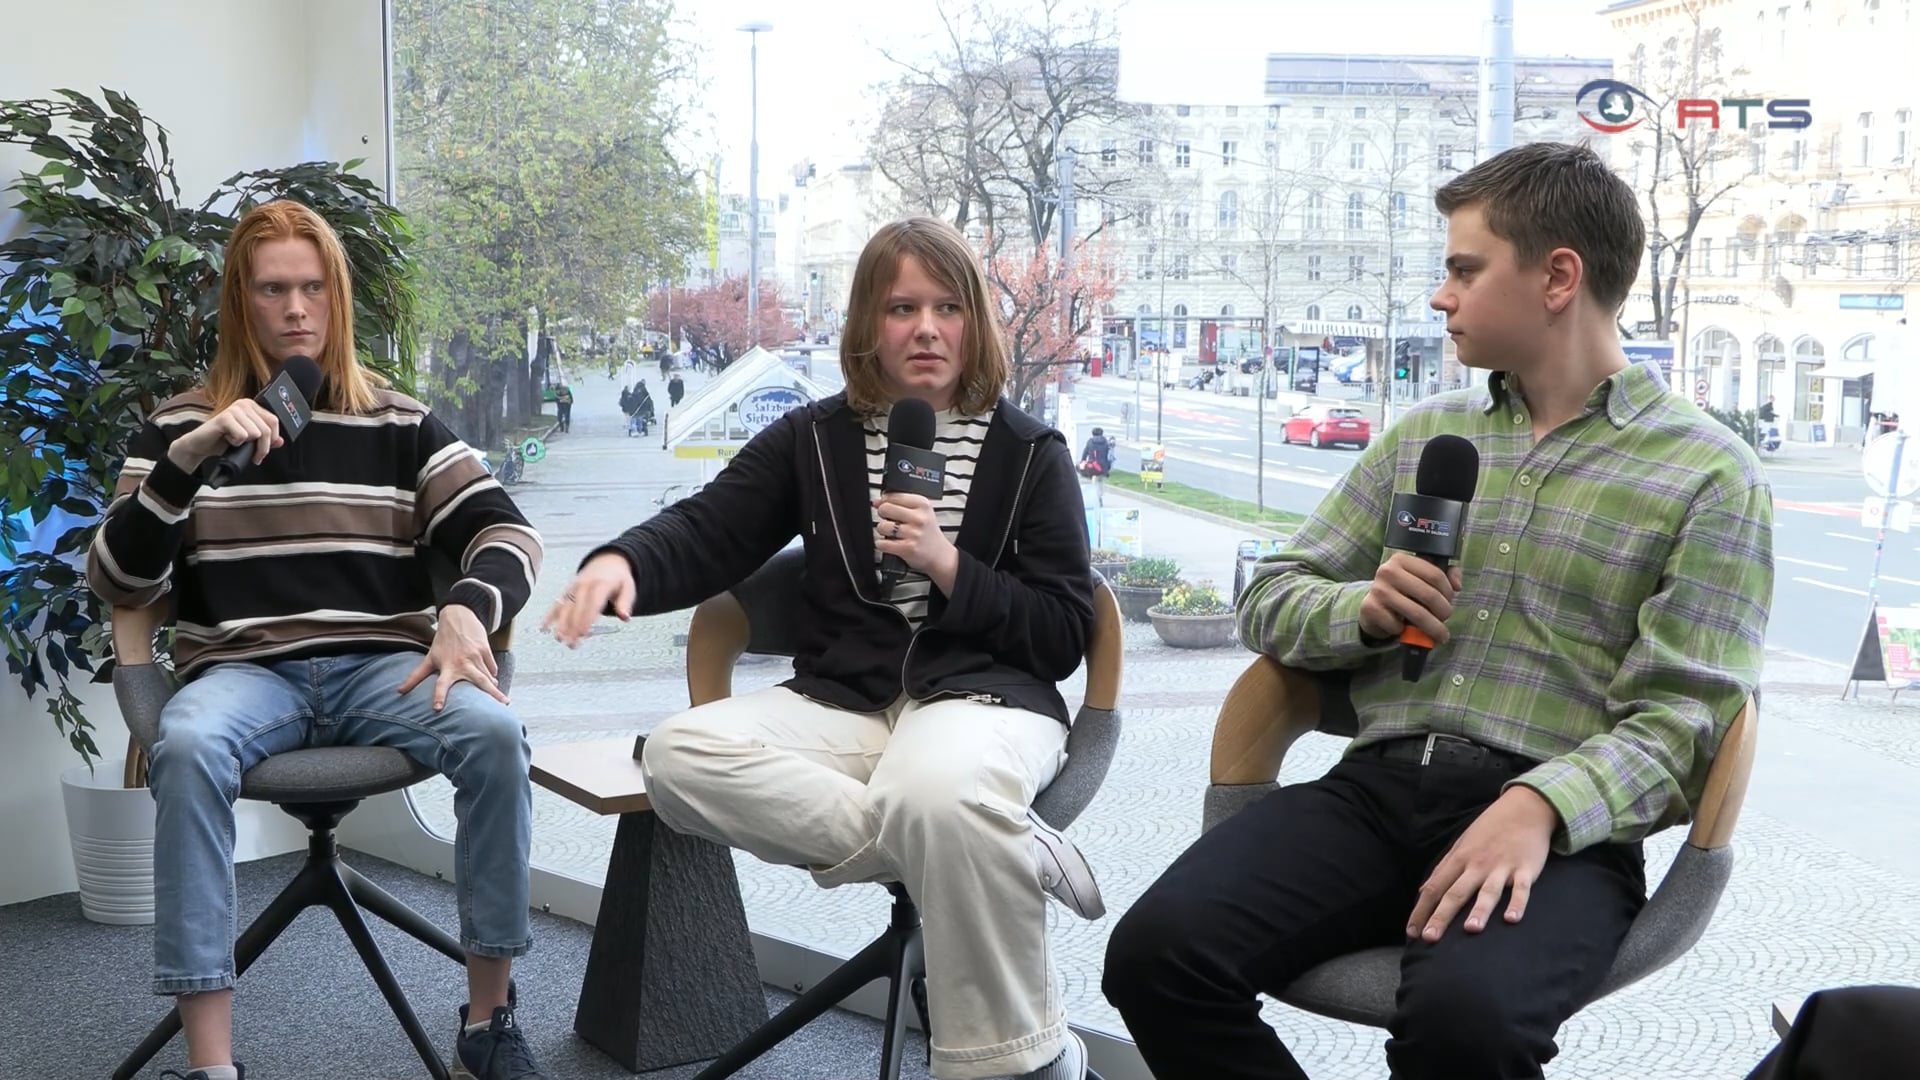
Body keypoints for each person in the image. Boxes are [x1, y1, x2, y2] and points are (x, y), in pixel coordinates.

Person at [1103, 142, 1774, 1079]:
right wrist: (1362, 611)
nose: (1439, 294)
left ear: (1557, 277)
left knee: (1470, 1025)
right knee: (1154, 956)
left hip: (1565, 835)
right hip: (1374, 795)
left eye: (1464, 269)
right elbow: (1269, 596)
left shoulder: (1708, 474)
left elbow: (1689, 717)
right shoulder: (1426, 435)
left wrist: (1542, 803)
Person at [544, 216, 1101, 1080]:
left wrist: (949, 566)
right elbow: (709, 527)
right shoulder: (815, 438)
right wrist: (620, 561)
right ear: (867, 328)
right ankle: (986, 842)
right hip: (846, 701)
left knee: (940, 789)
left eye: (947, 306)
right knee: (676, 754)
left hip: (983, 701)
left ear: (973, 322)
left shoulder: (1031, 454)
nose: (925, 327)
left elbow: (1065, 632)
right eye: (901, 306)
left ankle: (1019, 1061)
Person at [86, 201, 551, 1080]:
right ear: (240, 301)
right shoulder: (181, 429)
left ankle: (488, 1024)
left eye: (312, 288)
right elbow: (117, 582)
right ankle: (211, 1064)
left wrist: (466, 608)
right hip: (245, 675)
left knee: (494, 736)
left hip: (384, 667)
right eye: (273, 290)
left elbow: (510, 535)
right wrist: (189, 462)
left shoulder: (397, 420)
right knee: (184, 746)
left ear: (334, 298)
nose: (296, 308)